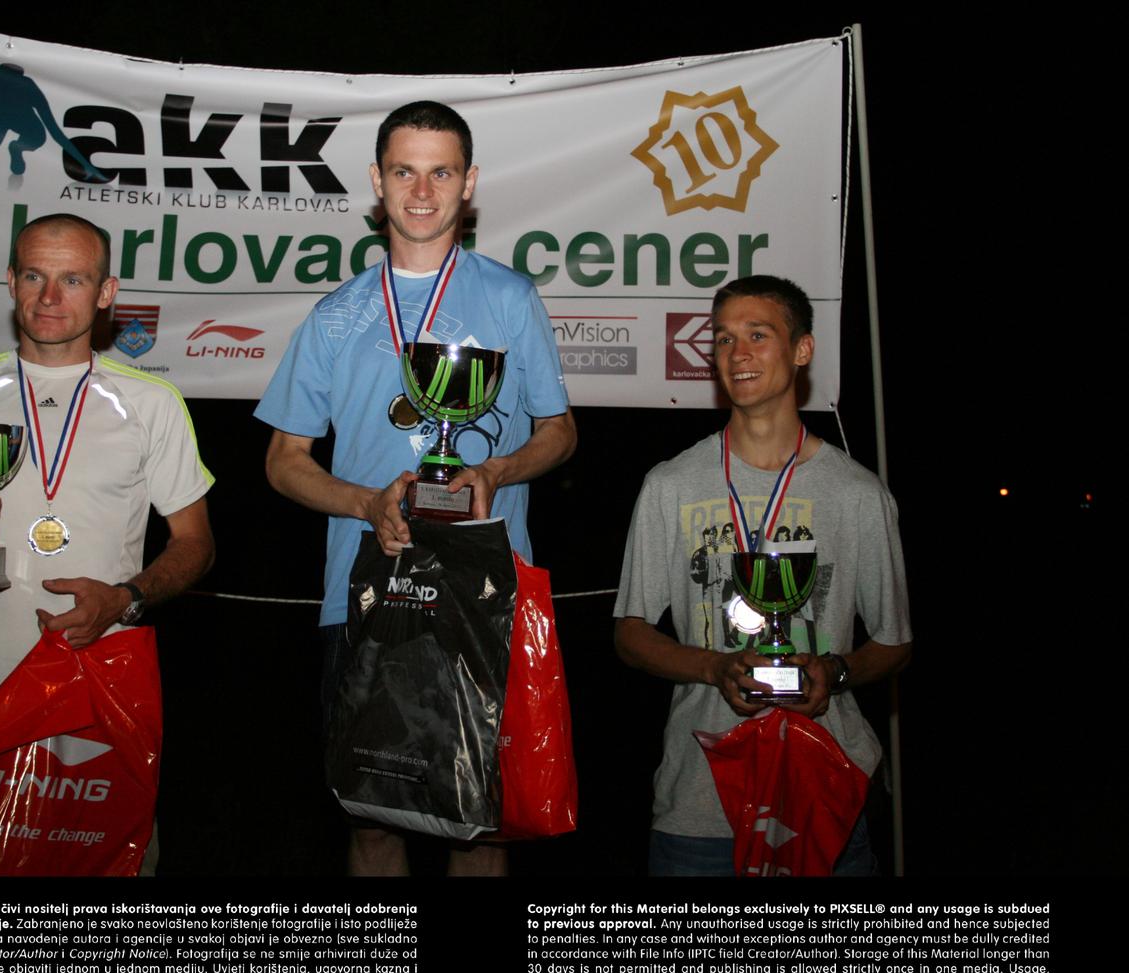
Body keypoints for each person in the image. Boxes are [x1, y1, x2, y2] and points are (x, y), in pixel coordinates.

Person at [256, 101, 576, 876]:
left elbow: (559, 431)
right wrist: (365, 504)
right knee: (373, 821)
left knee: (482, 824)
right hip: (366, 594)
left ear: (469, 183)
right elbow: (283, 459)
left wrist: (494, 471)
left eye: (440, 172)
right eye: (405, 171)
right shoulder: (337, 314)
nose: (422, 191)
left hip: (485, 594)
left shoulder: (509, 298)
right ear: (377, 180)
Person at [0, 213, 215, 870]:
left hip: (97, 685)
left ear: (106, 292)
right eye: (35, 276)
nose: (49, 297)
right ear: (11, 281)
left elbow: (195, 543)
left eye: (73, 279)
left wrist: (124, 599)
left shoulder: (152, 403)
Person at [613, 275, 911, 876]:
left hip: (824, 796)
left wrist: (834, 671)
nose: (737, 353)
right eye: (724, 339)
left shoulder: (858, 494)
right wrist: (714, 667)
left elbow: (894, 642)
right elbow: (630, 633)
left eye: (757, 335)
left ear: (802, 349)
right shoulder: (670, 484)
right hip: (699, 806)